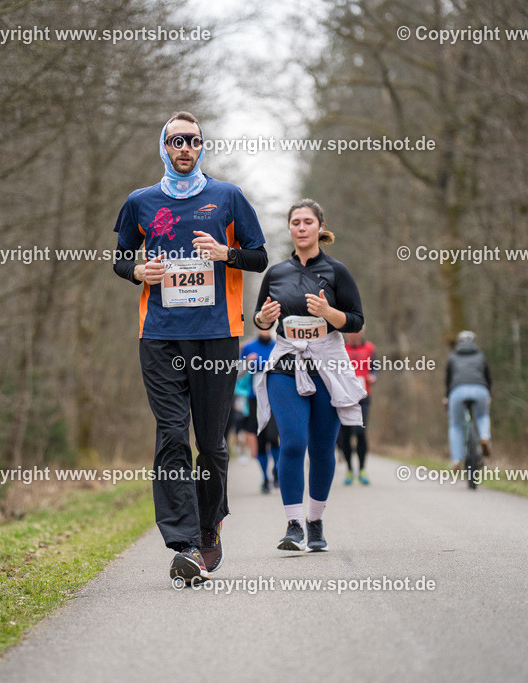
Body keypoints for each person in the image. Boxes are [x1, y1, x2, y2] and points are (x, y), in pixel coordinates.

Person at [112, 112, 268, 584]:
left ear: (202, 147)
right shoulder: (140, 203)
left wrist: (227, 254)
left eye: (194, 140)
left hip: (218, 334)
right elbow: (120, 258)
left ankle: (208, 528)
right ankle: (182, 543)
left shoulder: (227, 197)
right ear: (164, 146)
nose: (186, 147)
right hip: (159, 334)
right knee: (172, 435)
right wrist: (138, 272)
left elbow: (259, 256)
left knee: (212, 444)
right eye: (177, 140)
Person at [252, 198, 366, 552]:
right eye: (295, 223)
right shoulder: (275, 273)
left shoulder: (337, 271)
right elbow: (259, 319)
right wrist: (265, 319)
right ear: (289, 229)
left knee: (321, 448)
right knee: (293, 442)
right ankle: (293, 525)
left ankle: (315, 522)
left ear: (320, 227)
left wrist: (328, 311)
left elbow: (357, 321)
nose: (301, 228)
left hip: (327, 368)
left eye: (307, 222)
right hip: (286, 365)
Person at [445, 330, 492, 471]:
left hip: (457, 391)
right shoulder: (481, 356)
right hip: (480, 390)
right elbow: (488, 378)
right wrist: (488, 392)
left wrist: (447, 396)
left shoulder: (452, 357)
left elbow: (448, 381)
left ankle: (456, 459)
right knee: (482, 415)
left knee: (456, 425)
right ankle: (484, 437)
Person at [240, 329, 280, 493]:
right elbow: (238, 374)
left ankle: (277, 470)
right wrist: (247, 364)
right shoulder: (249, 347)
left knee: (273, 437)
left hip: (274, 399)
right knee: (261, 440)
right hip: (255, 399)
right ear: (256, 327)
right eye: (261, 326)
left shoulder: (278, 346)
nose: (264, 329)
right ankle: (265, 478)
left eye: (267, 326)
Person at [339, 330, 376, 485]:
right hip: (345, 397)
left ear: (363, 331)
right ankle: (349, 469)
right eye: (350, 332)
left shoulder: (369, 348)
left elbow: (375, 367)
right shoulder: (340, 347)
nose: (353, 334)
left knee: (360, 432)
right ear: (346, 334)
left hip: (363, 396)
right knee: (345, 435)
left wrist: (374, 376)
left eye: (357, 331)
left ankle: (362, 468)